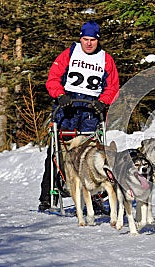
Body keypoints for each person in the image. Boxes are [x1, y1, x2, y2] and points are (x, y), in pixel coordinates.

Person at [38, 21, 120, 211]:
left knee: (92, 154)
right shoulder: (69, 53)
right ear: (80, 38)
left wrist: (104, 101)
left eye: (92, 40)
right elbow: (53, 78)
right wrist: (60, 95)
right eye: (85, 39)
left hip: (91, 110)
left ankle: (97, 196)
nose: (88, 44)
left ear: (97, 40)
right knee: (57, 152)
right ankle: (47, 195)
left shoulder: (106, 59)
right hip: (67, 108)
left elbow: (113, 87)